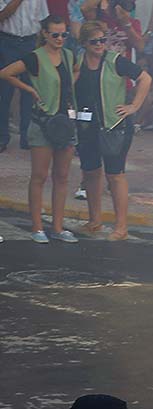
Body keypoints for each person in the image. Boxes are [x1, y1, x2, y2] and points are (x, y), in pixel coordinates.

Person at [1, 14, 79, 243]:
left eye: (63, 34)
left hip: (65, 122)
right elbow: (6, 73)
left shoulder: (68, 55)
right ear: (44, 34)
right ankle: (37, 227)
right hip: (42, 122)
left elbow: (76, 70)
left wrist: (70, 86)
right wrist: (29, 89)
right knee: (39, 176)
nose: (59, 39)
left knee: (62, 176)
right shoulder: (35, 57)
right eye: (55, 34)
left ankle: (57, 226)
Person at [73, 20, 151, 240]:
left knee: (115, 175)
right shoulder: (78, 62)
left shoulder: (115, 61)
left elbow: (145, 78)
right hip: (87, 125)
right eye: (94, 41)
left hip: (114, 126)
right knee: (90, 172)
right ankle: (94, 221)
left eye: (102, 40)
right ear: (84, 43)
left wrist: (133, 106)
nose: (99, 45)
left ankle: (121, 227)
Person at [0, 0, 49, 153]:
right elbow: (2, 15)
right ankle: (2, 137)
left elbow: (43, 19)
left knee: (30, 91)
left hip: (31, 42)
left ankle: (27, 136)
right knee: (4, 92)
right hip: (7, 41)